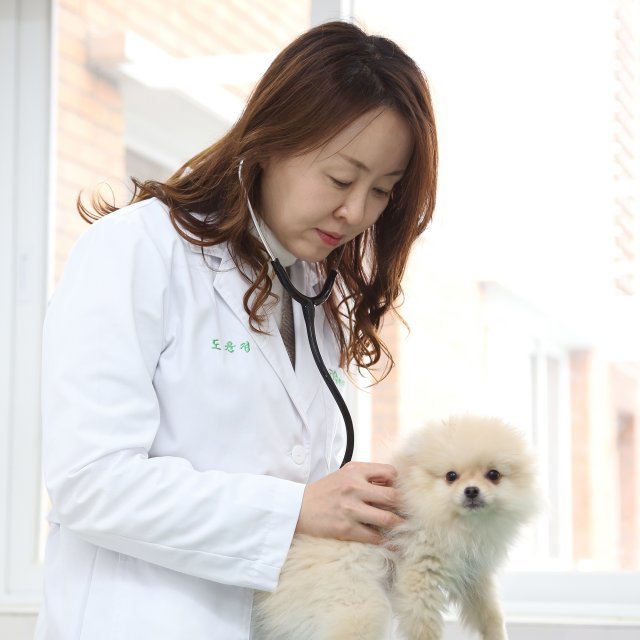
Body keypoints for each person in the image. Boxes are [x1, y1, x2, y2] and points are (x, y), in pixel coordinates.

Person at [35, 19, 437, 640]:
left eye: (382, 191)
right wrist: (297, 510)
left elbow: (298, 487)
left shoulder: (312, 291)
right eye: (340, 179)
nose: (355, 211)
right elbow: (90, 483)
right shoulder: (137, 249)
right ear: (274, 139)